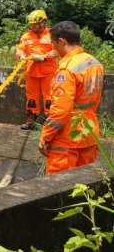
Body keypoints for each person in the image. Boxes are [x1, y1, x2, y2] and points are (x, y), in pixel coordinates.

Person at [38, 21, 104, 175]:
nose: (54, 48)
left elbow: (61, 111)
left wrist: (46, 137)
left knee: (59, 185)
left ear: (62, 41)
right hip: (89, 131)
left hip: (67, 137)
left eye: (54, 44)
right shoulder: (94, 63)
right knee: (85, 182)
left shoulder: (66, 70)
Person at [15, 9, 58, 130]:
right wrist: (21, 56)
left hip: (48, 72)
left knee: (49, 98)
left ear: (43, 22)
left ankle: (50, 123)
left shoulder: (52, 35)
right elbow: (20, 49)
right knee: (31, 98)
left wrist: (44, 57)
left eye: (35, 24)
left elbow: (57, 51)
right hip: (31, 72)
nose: (33, 26)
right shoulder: (26, 36)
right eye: (31, 24)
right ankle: (31, 121)